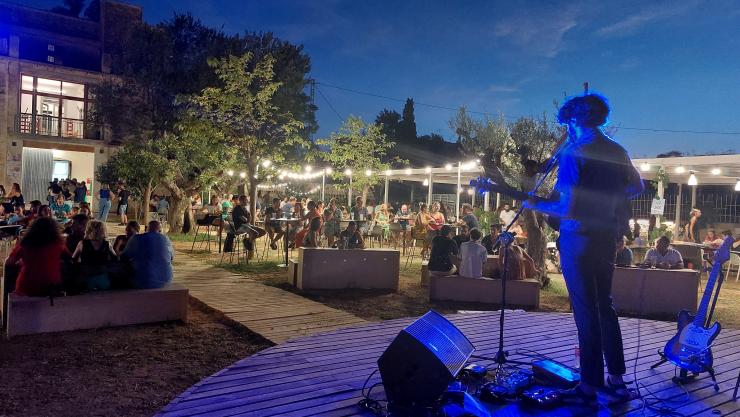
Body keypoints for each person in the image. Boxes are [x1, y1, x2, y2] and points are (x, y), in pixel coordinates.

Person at [523, 93, 643, 402]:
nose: (567, 130)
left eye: (567, 124)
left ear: (574, 120)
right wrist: (608, 200)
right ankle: (616, 379)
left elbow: (566, 207)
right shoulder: (617, 150)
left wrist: (533, 203)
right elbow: (637, 186)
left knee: (586, 310)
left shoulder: (574, 152)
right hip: (606, 237)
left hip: (578, 238)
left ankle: (589, 383)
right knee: (605, 306)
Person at [5, 217, 67, 296]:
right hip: (51, 286)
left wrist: (22, 262)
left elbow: (9, 262)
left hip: (27, 286)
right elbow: (69, 258)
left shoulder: (25, 244)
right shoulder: (59, 245)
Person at [121, 221, 173, 289]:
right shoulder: (166, 240)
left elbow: (123, 257)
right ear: (160, 230)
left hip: (140, 281)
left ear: (146, 229)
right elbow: (171, 258)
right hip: (166, 281)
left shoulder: (136, 238)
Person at [71, 220, 117, 291]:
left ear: (88, 230)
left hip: (86, 278)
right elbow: (115, 258)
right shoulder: (107, 244)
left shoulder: (82, 243)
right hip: (103, 279)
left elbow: (73, 258)